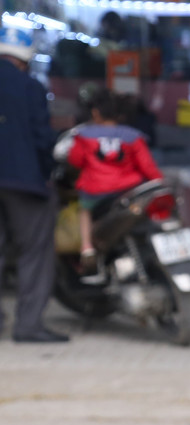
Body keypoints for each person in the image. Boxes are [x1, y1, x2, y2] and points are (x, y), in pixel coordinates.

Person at [0, 26, 66, 343]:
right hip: (23, 180)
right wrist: (47, 174)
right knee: (35, 252)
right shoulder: (30, 87)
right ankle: (27, 326)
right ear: (25, 59)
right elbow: (43, 140)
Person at [66, 88, 163, 275]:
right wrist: (159, 183)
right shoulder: (132, 136)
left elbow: (75, 161)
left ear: (95, 112)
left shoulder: (84, 135)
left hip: (96, 191)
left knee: (84, 210)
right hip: (127, 190)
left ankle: (87, 248)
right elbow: (148, 167)